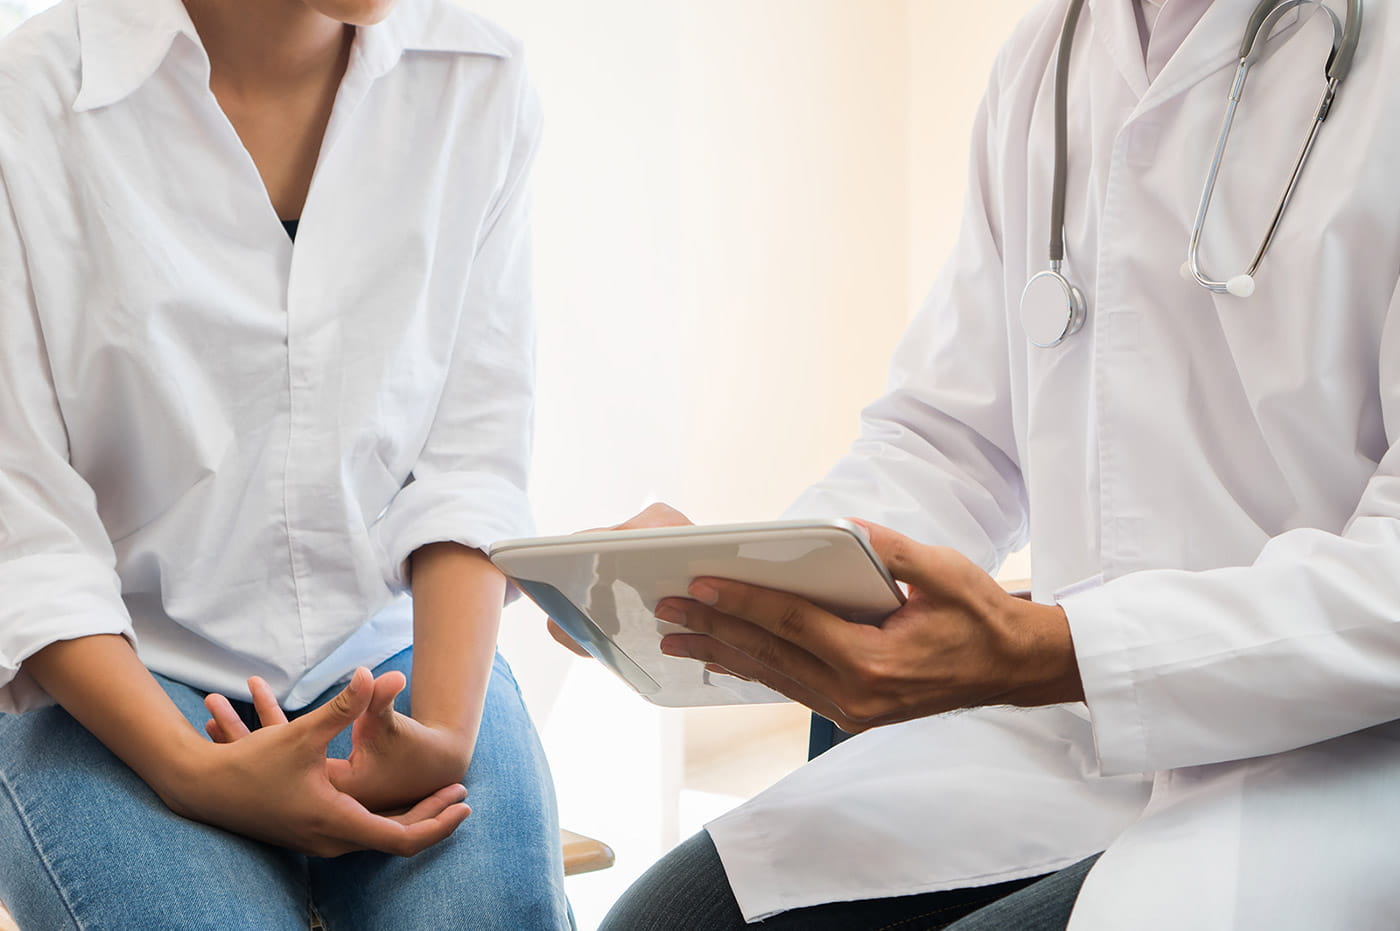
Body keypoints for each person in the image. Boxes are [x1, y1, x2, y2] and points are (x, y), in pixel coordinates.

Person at [590, 0, 1400, 928]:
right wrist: (742, 574)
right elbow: (948, 437)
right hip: (1080, 733)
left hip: (1350, 752)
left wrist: (1052, 652)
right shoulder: (1050, 56)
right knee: (661, 921)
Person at [0, 0, 569, 928]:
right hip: (119, 681)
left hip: (394, 656)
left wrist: (443, 734)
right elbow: (24, 533)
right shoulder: (27, 105)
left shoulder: (480, 80)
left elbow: (471, 458)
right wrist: (191, 772)